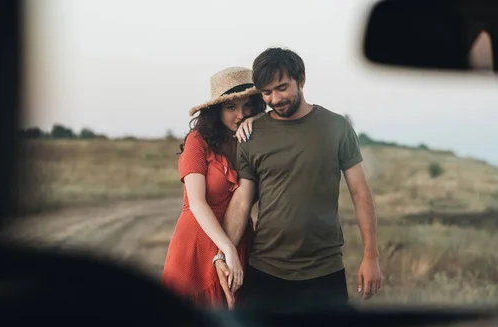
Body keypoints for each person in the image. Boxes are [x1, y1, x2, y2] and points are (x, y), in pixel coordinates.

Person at [213, 48, 384, 310]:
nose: (275, 98)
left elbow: (360, 192)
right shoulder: (252, 135)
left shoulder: (336, 127)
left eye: (282, 88)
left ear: (301, 79)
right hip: (266, 269)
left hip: (324, 270)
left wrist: (371, 257)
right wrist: (224, 253)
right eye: (266, 92)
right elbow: (242, 200)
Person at [161, 66, 266, 309]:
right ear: (216, 109)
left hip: (238, 236)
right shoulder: (197, 141)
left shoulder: (253, 138)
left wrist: (258, 120)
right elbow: (197, 203)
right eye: (231, 107)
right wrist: (226, 248)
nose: (240, 114)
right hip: (198, 242)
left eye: (247, 106)